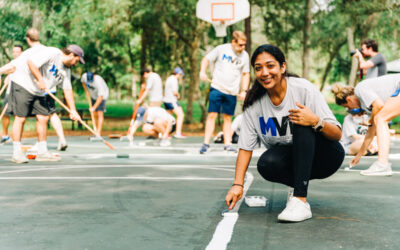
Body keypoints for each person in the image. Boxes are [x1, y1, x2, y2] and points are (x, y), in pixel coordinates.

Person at [225, 44, 344, 222]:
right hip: (292, 159)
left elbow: (337, 135)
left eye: (270, 65)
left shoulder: (303, 89)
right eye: (258, 68)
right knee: (266, 163)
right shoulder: (253, 103)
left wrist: (315, 121)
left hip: (325, 156)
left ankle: (300, 201)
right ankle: (297, 190)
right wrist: (237, 184)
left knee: (301, 120)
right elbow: (245, 147)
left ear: (282, 67)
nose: (264, 73)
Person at [0, 43, 84, 163]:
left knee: (43, 117)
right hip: (23, 83)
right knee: (21, 118)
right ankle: (17, 152)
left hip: (39, 91)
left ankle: (42, 151)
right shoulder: (53, 53)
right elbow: (31, 62)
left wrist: (73, 110)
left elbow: (67, 90)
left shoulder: (66, 70)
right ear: (71, 54)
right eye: (77, 60)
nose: (76, 64)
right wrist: (40, 80)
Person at [331, 73, 400, 176]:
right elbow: (370, 132)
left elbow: (379, 105)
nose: (351, 110)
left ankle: (382, 165)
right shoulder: (367, 106)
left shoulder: (360, 89)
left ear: (349, 100)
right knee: (379, 119)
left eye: (348, 107)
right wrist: (359, 155)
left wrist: (371, 119)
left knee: (380, 118)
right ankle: (382, 165)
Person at [199, 30, 250, 154]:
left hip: (231, 91)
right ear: (233, 42)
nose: (243, 47)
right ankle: (206, 143)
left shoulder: (245, 56)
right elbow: (206, 59)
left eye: (244, 45)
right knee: (212, 115)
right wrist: (202, 71)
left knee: (228, 118)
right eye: (240, 45)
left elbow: (245, 74)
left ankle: (227, 144)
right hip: (217, 88)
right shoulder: (222, 49)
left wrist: (244, 90)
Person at [1, 45, 23, 144]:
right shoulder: (12, 63)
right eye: (14, 52)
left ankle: (18, 138)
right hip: (9, 92)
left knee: (19, 116)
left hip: (21, 93)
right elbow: (8, 71)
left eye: (17, 52)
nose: (15, 54)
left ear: (22, 53)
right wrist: (8, 77)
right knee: (5, 114)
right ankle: (5, 136)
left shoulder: (25, 62)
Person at [81, 72, 109, 137]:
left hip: (102, 96)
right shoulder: (84, 76)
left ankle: (98, 133)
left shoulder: (98, 82)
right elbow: (83, 83)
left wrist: (94, 107)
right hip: (93, 96)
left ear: (94, 76)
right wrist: (86, 91)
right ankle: (95, 131)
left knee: (99, 113)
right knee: (94, 114)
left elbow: (100, 97)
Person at [163, 67, 186, 139]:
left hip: (166, 100)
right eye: (180, 74)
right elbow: (174, 92)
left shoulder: (169, 78)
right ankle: (178, 133)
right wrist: (178, 95)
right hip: (171, 101)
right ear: (178, 74)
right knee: (181, 115)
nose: (180, 76)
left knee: (168, 118)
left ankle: (165, 132)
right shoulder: (174, 80)